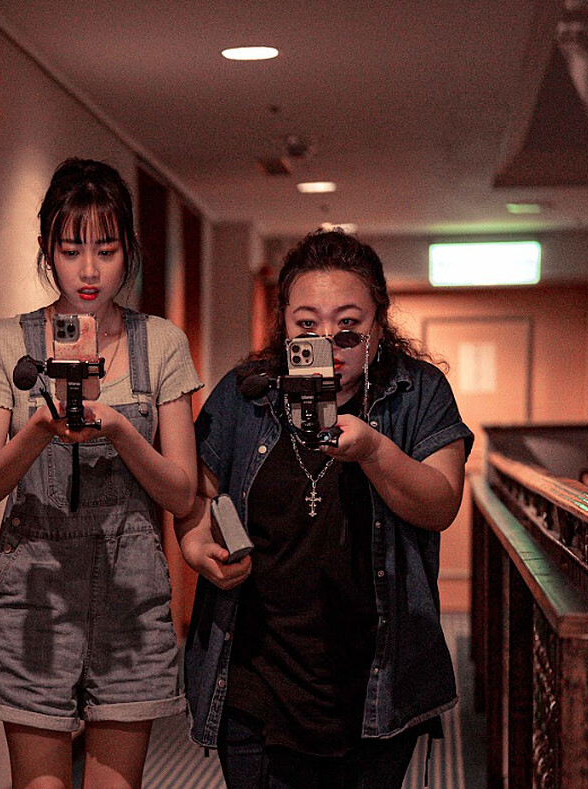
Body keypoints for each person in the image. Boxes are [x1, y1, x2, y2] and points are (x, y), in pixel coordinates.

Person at [175, 229, 473, 789]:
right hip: (256, 674)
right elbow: (194, 491)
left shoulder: (417, 392)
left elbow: (441, 502)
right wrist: (195, 544)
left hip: (376, 680)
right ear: (283, 324)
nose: (328, 343)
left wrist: (376, 451)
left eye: (348, 327)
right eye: (307, 325)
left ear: (378, 327)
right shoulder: (245, 395)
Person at [0, 157, 203, 789]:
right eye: (71, 251)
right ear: (47, 249)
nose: (90, 270)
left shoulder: (162, 342)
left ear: (130, 247)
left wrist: (121, 429)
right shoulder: (7, 341)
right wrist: (40, 429)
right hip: (34, 597)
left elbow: (182, 491)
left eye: (106, 249)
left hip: (131, 592)